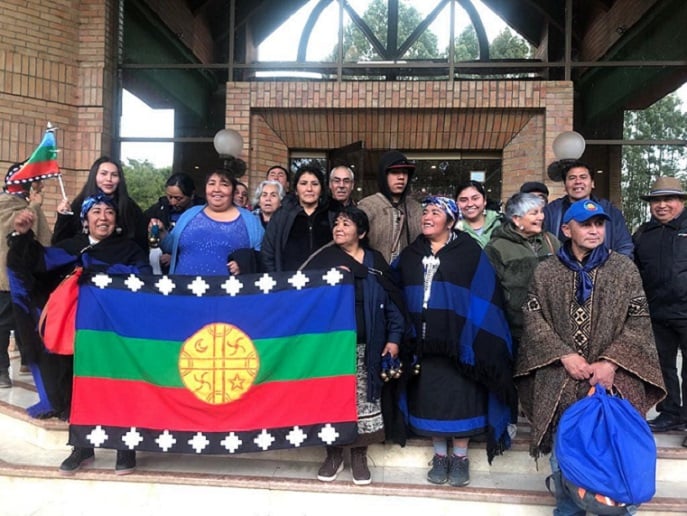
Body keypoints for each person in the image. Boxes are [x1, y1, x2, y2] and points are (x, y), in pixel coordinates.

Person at [516, 199, 666, 515]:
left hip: (614, 383)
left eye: (599, 224)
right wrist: (564, 355)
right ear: (567, 229)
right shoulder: (546, 271)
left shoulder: (624, 269)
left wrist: (610, 362)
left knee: (617, 458)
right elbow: (532, 316)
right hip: (562, 380)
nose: (594, 230)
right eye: (586, 224)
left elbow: (638, 319)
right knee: (566, 463)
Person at [8, 193, 152, 475]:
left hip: (115, 333)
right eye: (96, 212)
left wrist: (102, 272)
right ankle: (82, 447)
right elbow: (34, 266)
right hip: (78, 333)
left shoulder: (130, 250)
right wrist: (22, 235)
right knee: (80, 387)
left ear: (116, 220)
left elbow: (144, 278)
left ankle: (125, 449)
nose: (103, 217)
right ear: (85, 220)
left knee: (118, 386)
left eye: (109, 212)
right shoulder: (71, 247)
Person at [394, 196, 516, 488]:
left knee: (461, 401)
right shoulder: (410, 254)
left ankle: (460, 457)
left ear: (450, 221)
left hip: (462, 346)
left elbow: (485, 294)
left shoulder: (469, 252)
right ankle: (439, 456)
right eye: (425, 212)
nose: (427, 217)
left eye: (435, 212)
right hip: (423, 347)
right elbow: (393, 288)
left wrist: (470, 337)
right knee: (432, 400)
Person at [301, 206, 405, 486]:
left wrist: (394, 339)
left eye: (346, 224)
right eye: (336, 223)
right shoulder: (321, 259)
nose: (338, 228)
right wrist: (329, 279)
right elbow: (300, 301)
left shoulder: (375, 261)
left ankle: (360, 454)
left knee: (365, 400)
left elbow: (394, 303)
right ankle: (333, 454)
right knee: (331, 398)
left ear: (362, 232)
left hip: (367, 344)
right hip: (330, 348)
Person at [633, 177, 687, 440]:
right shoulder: (643, 233)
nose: (662, 205)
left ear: (681, 202)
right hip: (656, 314)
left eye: (669, 200)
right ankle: (670, 412)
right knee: (663, 366)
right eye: (657, 200)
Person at [484, 193, 560, 352]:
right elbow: (489, 293)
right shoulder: (496, 247)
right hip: (516, 332)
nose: (541, 217)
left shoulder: (551, 241)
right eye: (534, 213)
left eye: (541, 211)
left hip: (553, 329)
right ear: (517, 219)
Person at [0, 164, 52, 388]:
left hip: (25, 277)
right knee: (2, 325)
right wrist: (34, 206)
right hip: (4, 277)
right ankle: (1, 370)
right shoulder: (5, 203)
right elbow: (16, 229)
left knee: (29, 321)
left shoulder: (27, 204)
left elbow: (40, 240)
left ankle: (26, 360)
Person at [157, 168, 264, 275]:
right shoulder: (189, 214)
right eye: (211, 184)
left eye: (224, 184)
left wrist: (244, 264)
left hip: (228, 290)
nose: (216, 189)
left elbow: (263, 257)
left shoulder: (251, 221)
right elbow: (171, 246)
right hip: (182, 289)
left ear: (233, 191)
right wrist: (162, 232)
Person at [53, 156, 148, 251]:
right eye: (103, 174)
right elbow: (59, 243)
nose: (109, 179)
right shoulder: (79, 203)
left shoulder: (129, 207)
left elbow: (141, 244)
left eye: (114, 175)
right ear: (94, 176)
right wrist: (63, 217)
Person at [543, 160, 633, 257]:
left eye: (583, 177)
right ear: (565, 185)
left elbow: (625, 247)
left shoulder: (609, 210)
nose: (578, 182)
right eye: (572, 178)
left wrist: (611, 268)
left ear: (592, 183)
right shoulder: (551, 211)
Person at [261, 164, 331, 272]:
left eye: (315, 184)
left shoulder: (332, 215)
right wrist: (278, 280)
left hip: (325, 284)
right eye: (303, 183)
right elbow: (268, 253)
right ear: (296, 190)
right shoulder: (281, 215)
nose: (309, 189)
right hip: (289, 283)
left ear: (321, 190)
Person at [358, 150, 422, 264]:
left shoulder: (416, 209)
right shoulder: (367, 206)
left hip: (408, 276)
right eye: (395, 172)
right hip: (374, 275)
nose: (401, 177)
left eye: (405, 172)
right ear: (384, 175)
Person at [144, 173, 204, 273]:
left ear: (192, 195)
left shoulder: (202, 213)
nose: (172, 202)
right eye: (169, 197)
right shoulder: (160, 207)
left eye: (178, 198)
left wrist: (176, 257)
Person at [454, 180, 502, 248]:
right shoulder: (451, 229)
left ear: (484, 200)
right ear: (457, 203)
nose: (470, 204)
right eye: (463, 200)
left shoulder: (500, 223)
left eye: (475, 198)